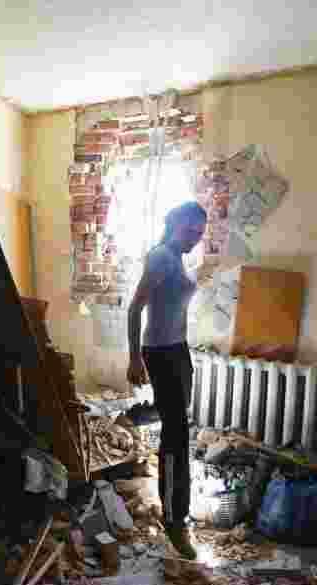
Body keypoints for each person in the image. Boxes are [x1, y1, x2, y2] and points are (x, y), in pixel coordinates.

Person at [127, 201, 207, 559]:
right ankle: (175, 523)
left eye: (199, 234)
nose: (195, 239)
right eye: (190, 231)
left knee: (179, 430)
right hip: (160, 354)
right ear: (173, 224)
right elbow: (135, 308)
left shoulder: (178, 258)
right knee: (175, 437)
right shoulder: (161, 256)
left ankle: (177, 512)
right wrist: (133, 357)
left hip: (178, 351)